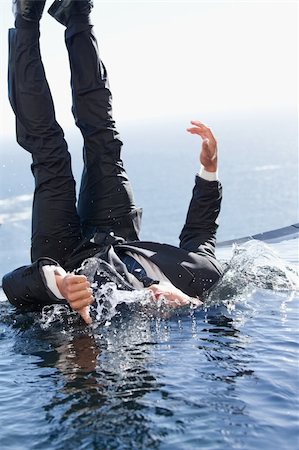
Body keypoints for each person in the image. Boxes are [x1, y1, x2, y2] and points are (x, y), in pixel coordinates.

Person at [2, 0, 223, 325]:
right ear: (191, 303)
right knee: (104, 138)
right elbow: (201, 231)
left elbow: (13, 285)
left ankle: (25, 19)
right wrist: (210, 168)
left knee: (51, 153)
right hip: (118, 229)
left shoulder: (103, 311)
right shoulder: (202, 276)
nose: (163, 302)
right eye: (177, 305)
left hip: (62, 255)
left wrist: (60, 284)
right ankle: (75, 13)